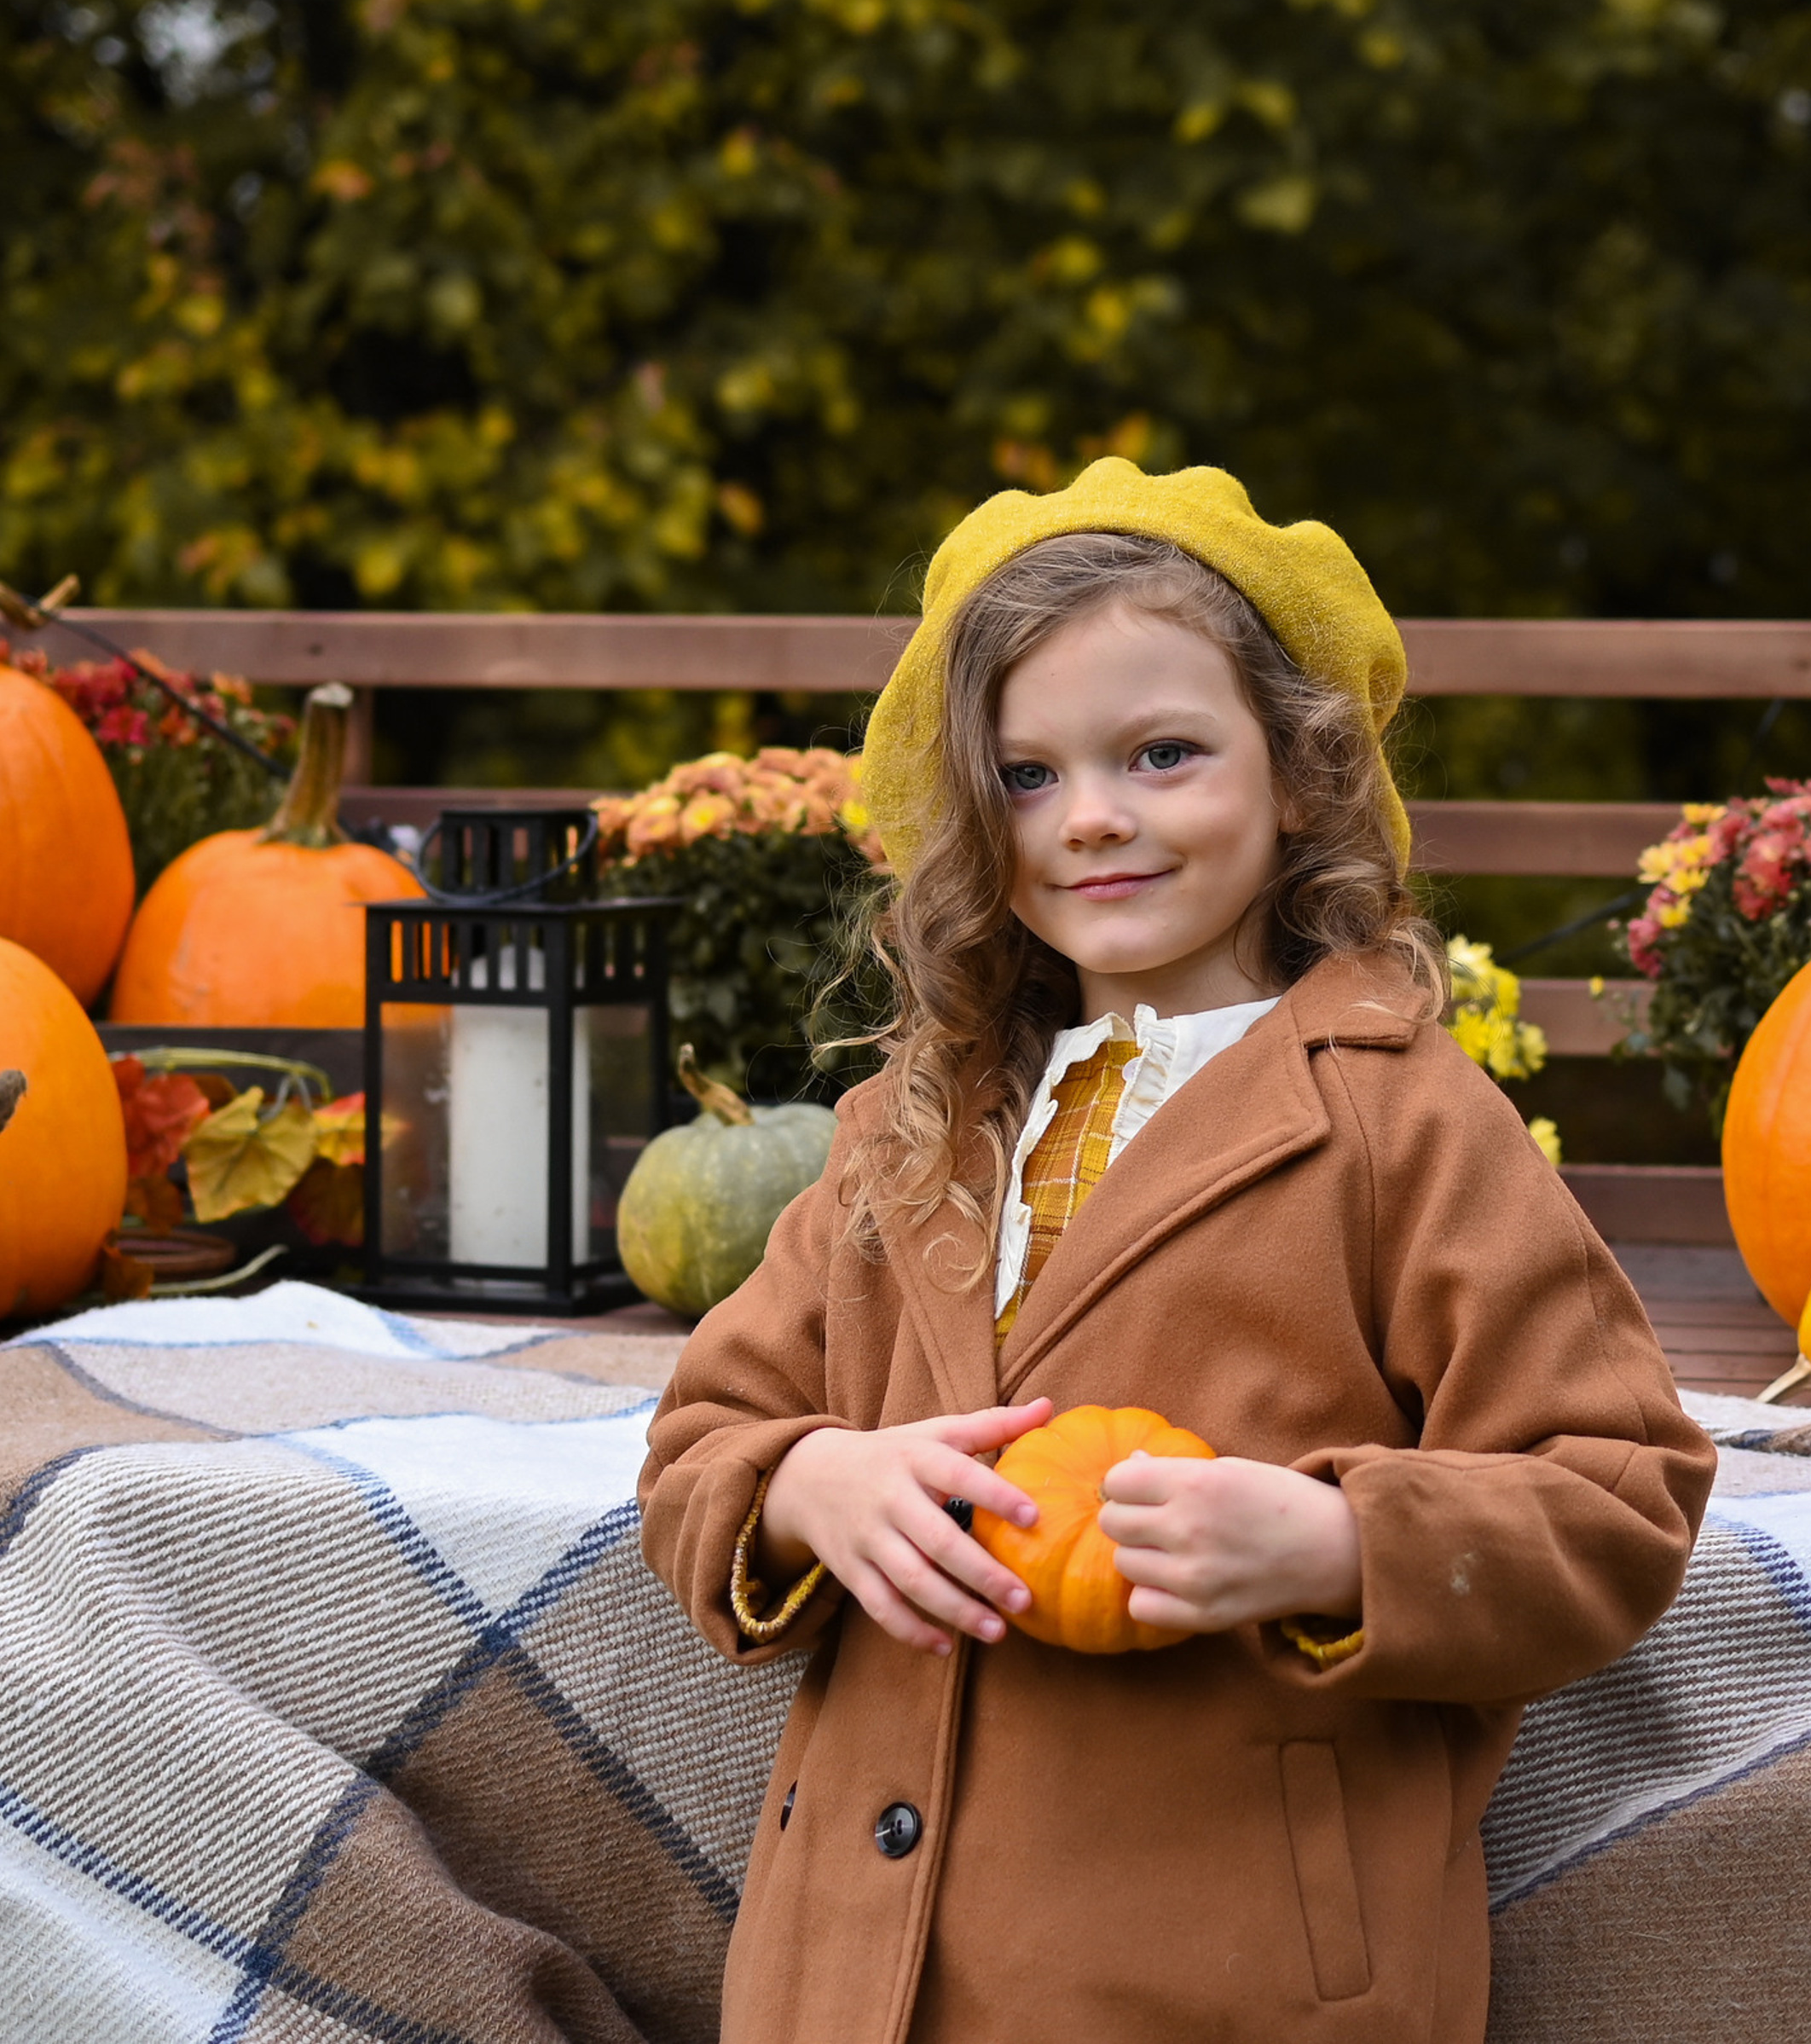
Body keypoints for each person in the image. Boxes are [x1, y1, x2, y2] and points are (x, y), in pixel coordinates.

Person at [639, 460, 1715, 2044]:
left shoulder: (1397, 1118)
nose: (1092, 817)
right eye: (1025, 775)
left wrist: (1337, 1546)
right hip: (853, 1980)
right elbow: (694, 1445)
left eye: (1164, 754)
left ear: (1299, 776)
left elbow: (1619, 1494)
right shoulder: (908, 1125)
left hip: (1231, 1977)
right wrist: (809, 1488)